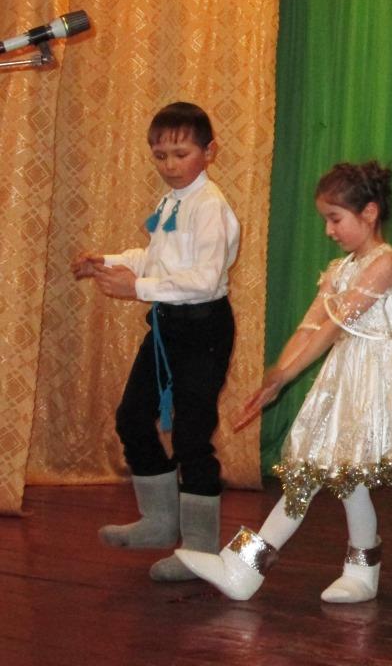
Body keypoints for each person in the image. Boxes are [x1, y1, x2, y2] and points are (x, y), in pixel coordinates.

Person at [176, 161, 392, 601]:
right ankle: (351, 569)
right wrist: (275, 377)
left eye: (335, 218)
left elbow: (334, 326)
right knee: (333, 473)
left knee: (323, 471)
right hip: (347, 376)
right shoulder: (340, 268)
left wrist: (286, 374)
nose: (329, 230)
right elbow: (311, 325)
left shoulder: (386, 263)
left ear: (369, 213)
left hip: (379, 380)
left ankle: (253, 567)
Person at [72, 101, 239, 582]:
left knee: (191, 437)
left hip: (204, 328)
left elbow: (204, 281)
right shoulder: (172, 201)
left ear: (209, 152)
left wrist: (137, 289)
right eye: (159, 155)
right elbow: (156, 257)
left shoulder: (210, 207)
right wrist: (106, 261)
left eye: (180, 154)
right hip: (167, 325)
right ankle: (160, 521)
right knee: (131, 417)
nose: (169, 165)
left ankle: (200, 550)